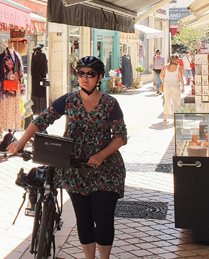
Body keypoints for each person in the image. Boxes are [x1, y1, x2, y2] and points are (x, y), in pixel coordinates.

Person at [8, 57, 127, 259]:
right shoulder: (69, 100)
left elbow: (120, 137)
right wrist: (20, 142)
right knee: (83, 218)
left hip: (106, 170)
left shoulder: (109, 103)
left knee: (104, 218)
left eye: (90, 74)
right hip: (75, 169)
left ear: (99, 77)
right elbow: (42, 120)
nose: (85, 78)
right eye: (81, 73)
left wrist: (101, 155)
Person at [161, 55, 184, 123]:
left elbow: (161, 76)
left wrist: (164, 81)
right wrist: (182, 86)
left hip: (167, 84)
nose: (178, 60)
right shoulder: (178, 67)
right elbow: (180, 78)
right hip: (175, 84)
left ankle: (166, 116)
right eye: (177, 59)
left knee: (167, 99)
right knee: (176, 101)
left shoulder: (165, 67)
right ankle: (175, 117)